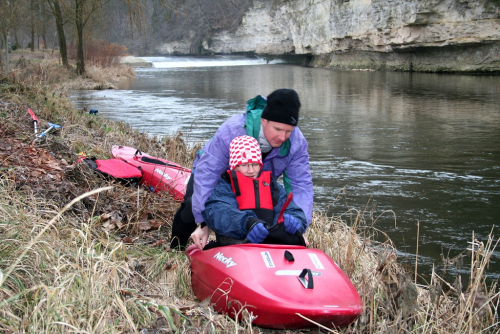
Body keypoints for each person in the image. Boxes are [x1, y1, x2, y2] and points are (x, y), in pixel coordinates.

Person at [170, 88, 313, 250]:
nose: (283, 137)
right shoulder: (232, 130)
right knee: (191, 205)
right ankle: (175, 248)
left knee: (261, 213)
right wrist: (203, 222)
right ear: (264, 121)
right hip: (217, 173)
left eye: (289, 131)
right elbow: (209, 173)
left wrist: (298, 225)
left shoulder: (297, 142)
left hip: (260, 180)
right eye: (278, 130)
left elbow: (301, 185)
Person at [198, 135, 307, 249]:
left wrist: (295, 220)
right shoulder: (225, 186)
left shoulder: (272, 186)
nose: (251, 171)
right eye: (244, 165)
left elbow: (292, 209)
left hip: (271, 245)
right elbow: (219, 212)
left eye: (255, 165)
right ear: (234, 166)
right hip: (237, 245)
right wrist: (248, 223)